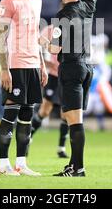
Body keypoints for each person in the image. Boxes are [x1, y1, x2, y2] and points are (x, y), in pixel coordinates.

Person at [41, 0, 96, 177]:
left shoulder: (62, 17)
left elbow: (54, 49)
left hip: (71, 69)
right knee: (75, 118)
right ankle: (73, 165)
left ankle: (79, 168)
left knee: (75, 121)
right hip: (87, 67)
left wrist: (42, 40)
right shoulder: (88, 5)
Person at [0, 0, 48, 176]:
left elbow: (36, 34)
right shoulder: (9, 1)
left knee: (27, 116)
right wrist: (4, 68)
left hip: (33, 65)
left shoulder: (37, 1)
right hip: (15, 66)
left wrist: (43, 64)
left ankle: (21, 164)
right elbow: (1, 37)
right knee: (10, 115)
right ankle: (2, 165)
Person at [29, 24, 69, 158]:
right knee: (45, 110)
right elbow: (38, 43)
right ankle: (29, 139)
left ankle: (61, 148)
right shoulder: (50, 29)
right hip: (53, 75)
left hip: (67, 76)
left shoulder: (75, 28)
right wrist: (45, 63)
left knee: (66, 114)